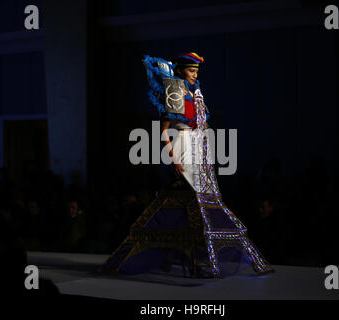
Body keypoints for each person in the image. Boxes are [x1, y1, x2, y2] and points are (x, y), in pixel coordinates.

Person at [100, 53, 274, 278]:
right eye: (191, 71)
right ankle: (188, 256)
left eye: (196, 72)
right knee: (194, 196)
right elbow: (163, 130)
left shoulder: (195, 94)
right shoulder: (174, 91)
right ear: (180, 70)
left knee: (201, 201)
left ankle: (194, 257)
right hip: (183, 143)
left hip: (199, 146)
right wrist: (173, 157)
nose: (194, 75)